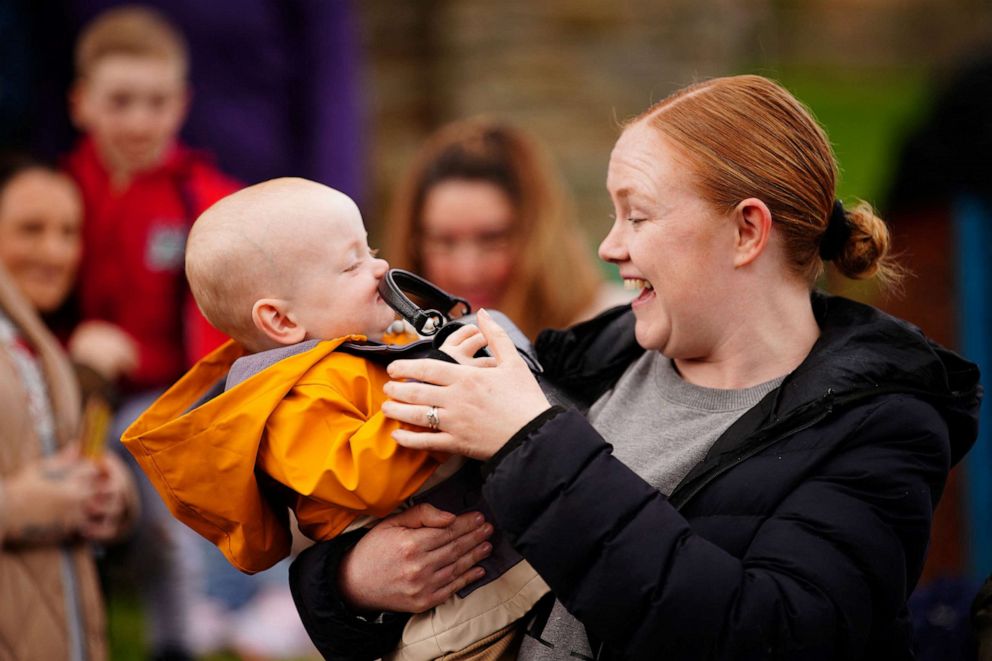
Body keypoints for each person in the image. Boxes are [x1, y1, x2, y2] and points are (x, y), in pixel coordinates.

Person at [290, 75, 982, 660]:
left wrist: (531, 439)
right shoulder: (598, 354)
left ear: (747, 231)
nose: (609, 245)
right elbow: (359, 563)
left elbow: (764, 633)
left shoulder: (883, 425)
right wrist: (352, 581)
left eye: (638, 216)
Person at [122, 178, 549, 660]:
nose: (381, 268)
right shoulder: (289, 401)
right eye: (352, 264)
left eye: (371, 249)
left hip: (478, 557)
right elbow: (365, 477)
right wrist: (442, 382)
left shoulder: (360, 349)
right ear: (281, 321)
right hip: (452, 610)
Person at [61, 7, 241, 658]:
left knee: (156, 472)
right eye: (121, 101)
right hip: (66, 393)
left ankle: (178, 636)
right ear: (82, 103)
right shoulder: (56, 196)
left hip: (168, 400)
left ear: (183, 103)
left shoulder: (209, 201)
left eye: (157, 101)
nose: (140, 120)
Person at [0, 154, 137, 660]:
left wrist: (112, 494)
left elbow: (53, 459)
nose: (53, 252)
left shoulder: (37, 340)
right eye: (30, 229)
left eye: (68, 232)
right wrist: (19, 508)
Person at [386, 118, 629, 340]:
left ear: (540, 236)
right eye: (443, 242)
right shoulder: (387, 346)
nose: (467, 272)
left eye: (492, 239)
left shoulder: (619, 333)